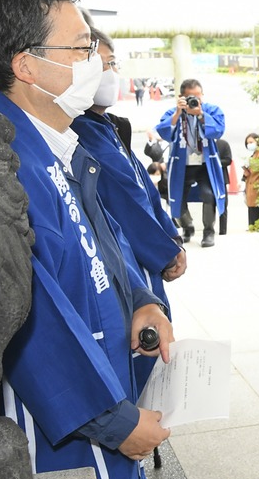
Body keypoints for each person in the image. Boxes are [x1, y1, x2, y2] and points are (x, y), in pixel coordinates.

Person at [0, 0, 174, 479]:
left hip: (107, 366)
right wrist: (113, 420)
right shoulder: (2, 165)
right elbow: (29, 318)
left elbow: (102, 237)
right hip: (67, 412)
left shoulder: (59, 142)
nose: (95, 62)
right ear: (26, 66)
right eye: (81, 48)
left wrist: (140, 297)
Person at [69, 27, 186, 322]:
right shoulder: (80, 131)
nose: (110, 73)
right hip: (130, 260)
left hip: (147, 251)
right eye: (101, 64)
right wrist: (163, 251)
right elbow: (123, 199)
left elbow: (143, 186)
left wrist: (170, 234)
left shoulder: (107, 125)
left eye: (112, 64)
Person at [155, 79, 227, 248]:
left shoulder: (210, 110)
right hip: (182, 164)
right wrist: (177, 114)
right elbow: (164, 132)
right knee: (177, 199)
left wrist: (201, 115)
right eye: (190, 97)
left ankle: (209, 232)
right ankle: (187, 227)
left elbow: (218, 130)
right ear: (181, 97)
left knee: (209, 194)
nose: (195, 100)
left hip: (204, 164)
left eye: (198, 96)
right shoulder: (174, 112)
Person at [242, 132, 259, 226]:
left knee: (257, 216)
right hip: (251, 190)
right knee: (252, 216)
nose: (249, 145)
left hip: (257, 190)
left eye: (251, 142)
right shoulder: (253, 155)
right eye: (247, 143)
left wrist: (249, 169)